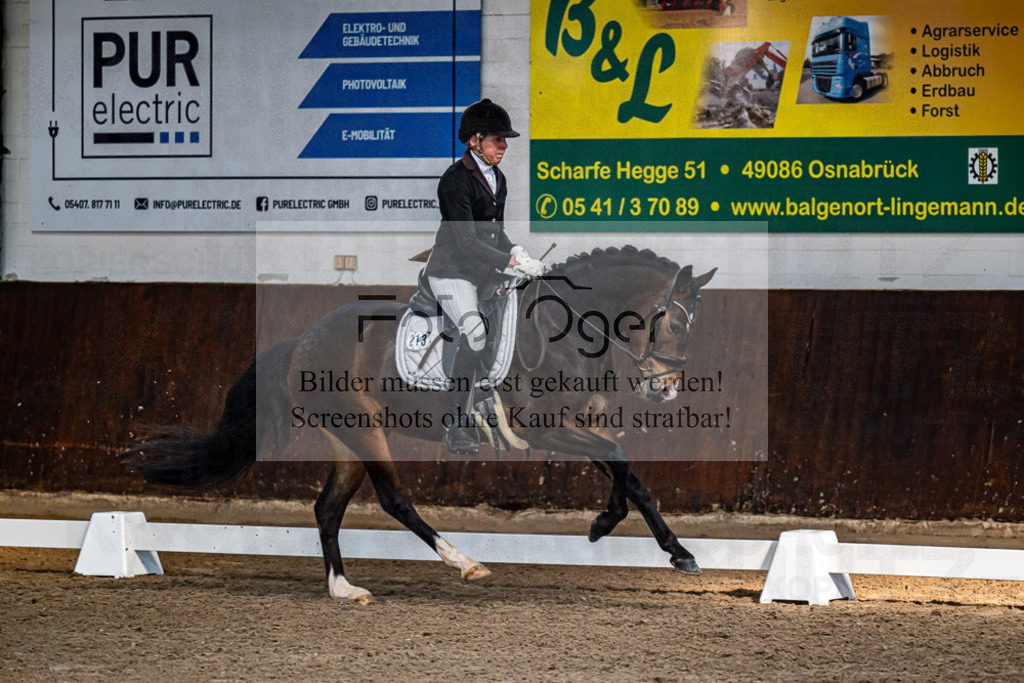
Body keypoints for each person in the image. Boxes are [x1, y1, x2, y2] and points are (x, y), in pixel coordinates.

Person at [421, 99, 545, 455]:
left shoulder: (498, 178)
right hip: (452, 272)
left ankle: (486, 398)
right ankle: (455, 421)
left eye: (505, 141)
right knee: (475, 335)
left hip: (481, 270)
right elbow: (466, 241)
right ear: (474, 141)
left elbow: (495, 232)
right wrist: (509, 261)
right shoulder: (455, 181)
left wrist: (519, 252)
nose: (504, 146)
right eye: (497, 140)